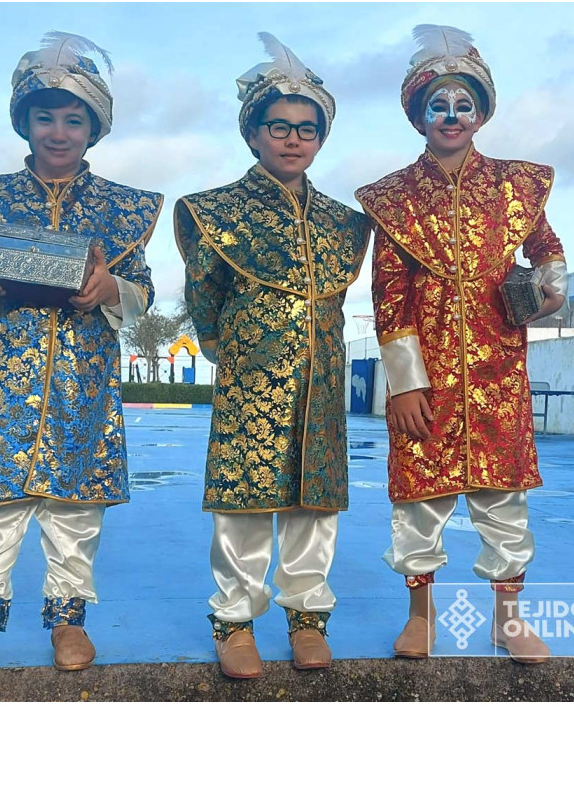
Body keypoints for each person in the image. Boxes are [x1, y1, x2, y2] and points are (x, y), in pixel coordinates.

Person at [0, 32, 162, 677]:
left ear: (94, 128)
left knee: (75, 509)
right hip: (2, 379)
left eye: (73, 119)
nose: (58, 131)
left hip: (81, 380)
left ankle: (69, 622)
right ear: (25, 122)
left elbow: (142, 291)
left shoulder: (122, 210)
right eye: (45, 117)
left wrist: (109, 289)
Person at [355, 24, 568, 664]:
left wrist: (552, 283)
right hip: (427, 374)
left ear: (481, 113)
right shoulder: (392, 198)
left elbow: (545, 247)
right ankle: (421, 617)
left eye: (462, 104)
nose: (451, 116)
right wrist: (405, 382)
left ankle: (509, 619)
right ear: (419, 115)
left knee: (504, 501)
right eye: (437, 105)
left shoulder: (515, 184)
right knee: (421, 500)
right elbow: (388, 295)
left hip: (499, 367)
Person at [174, 33, 370, 678]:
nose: (293, 139)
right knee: (246, 505)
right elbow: (204, 297)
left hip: (322, 381)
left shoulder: (346, 223)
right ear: (253, 133)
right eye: (278, 126)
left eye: (307, 129)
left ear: (321, 138)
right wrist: (229, 352)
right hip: (250, 379)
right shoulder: (213, 211)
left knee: (316, 505)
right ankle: (234, 622)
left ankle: (308, 616)